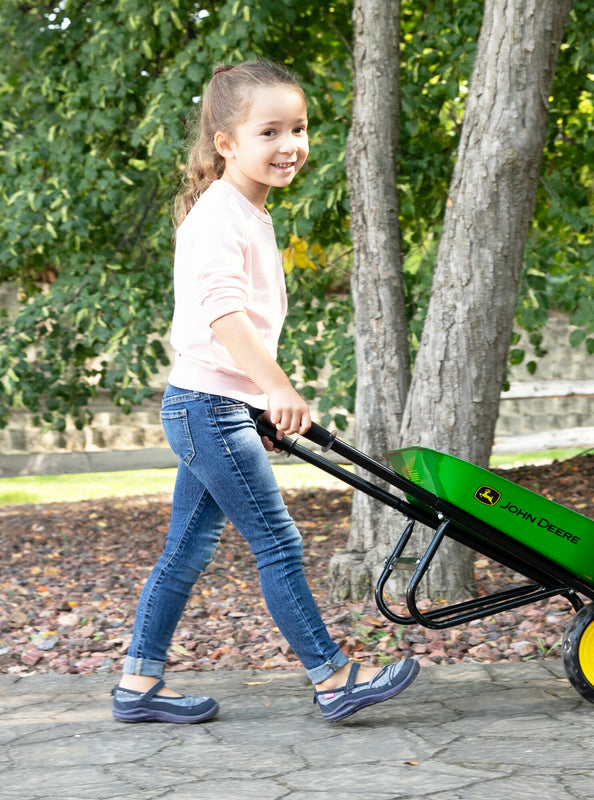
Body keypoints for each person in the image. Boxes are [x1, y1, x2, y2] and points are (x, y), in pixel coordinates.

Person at [111, 60, 419, 724]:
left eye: (300, 128)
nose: (290, 145)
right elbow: (227, 320)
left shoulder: (244, 213)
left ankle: (137, 685)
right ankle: (333, 678)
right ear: (227, 143)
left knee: (186, 550)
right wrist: (277, 389)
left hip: (211, 407)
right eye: (270, 131)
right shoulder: (219, 216)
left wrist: (260, 406)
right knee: (278, 543)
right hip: (208, 409)